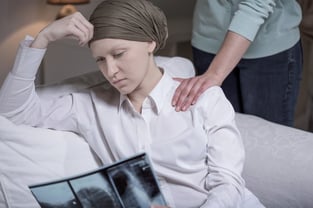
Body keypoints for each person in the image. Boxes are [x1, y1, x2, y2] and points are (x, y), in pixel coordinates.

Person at [0, 0, 264, 207]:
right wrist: (42, 39)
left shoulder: (204, 99)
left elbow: (228, 184)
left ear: (150, 42)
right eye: (100, 60)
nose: (111, 70)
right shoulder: (89, 105)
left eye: (119, 54)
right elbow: (14, 112)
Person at [172, 0, 303, 127]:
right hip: (209, 39)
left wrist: (215, 73)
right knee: (213, 133)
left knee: (270, 137)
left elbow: (257, 4)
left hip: (269, 48)